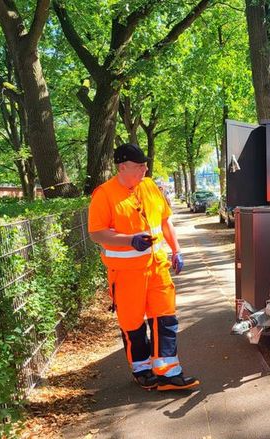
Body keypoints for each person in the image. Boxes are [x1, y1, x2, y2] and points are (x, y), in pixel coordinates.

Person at [88, 143, 199, 391]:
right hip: (126, 274)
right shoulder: (104, 194)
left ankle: (169, 373)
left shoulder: (149, 186)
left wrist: (177, 250)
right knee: (133, 323)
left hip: (157, 268)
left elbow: (165, 220)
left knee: (165, 317)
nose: (144, 169)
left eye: (145, 165)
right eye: (139, 166)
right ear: (122, 167)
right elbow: (97, 233)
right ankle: (142, 370)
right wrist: (130, 241)